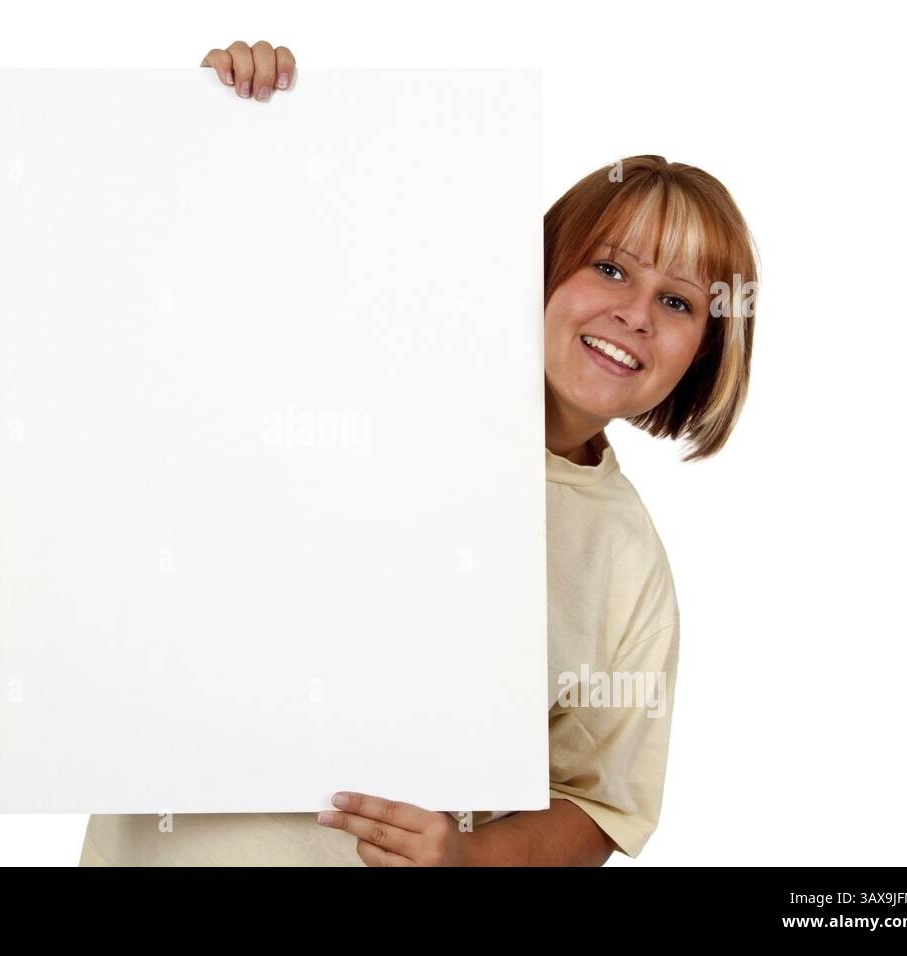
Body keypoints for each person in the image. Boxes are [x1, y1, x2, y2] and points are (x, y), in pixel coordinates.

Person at [78, 41, 757, 866]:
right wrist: (225, 126)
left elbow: (598, 806)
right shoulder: (353, 366)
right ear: (534, 269)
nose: (635, 313)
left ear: (707, 350)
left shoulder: (625, 560)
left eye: (678, 300)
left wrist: (473, 859)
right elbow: (202, 294)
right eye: (609, 267)